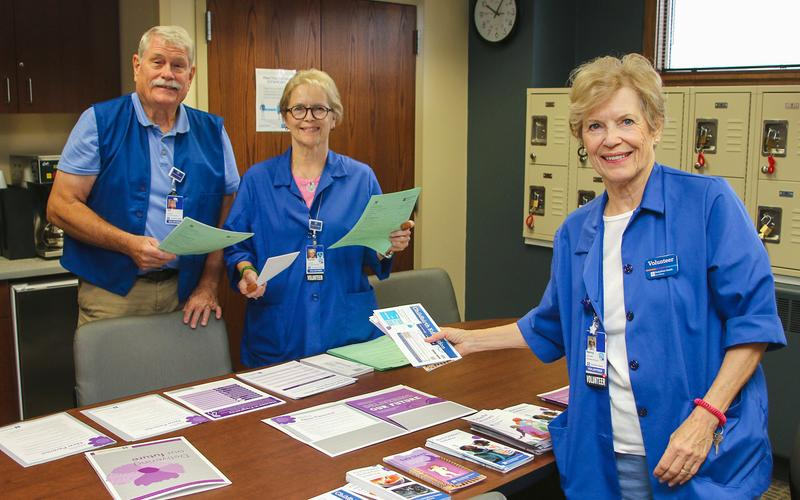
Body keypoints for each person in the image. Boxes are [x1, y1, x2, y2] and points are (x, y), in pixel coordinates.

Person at [428, 54, 786, 499]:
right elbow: (553, 324)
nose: (611, 140)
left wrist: (705, 417)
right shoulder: (576, 231)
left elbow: (753, 324)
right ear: (582, 138)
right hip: (607, 453)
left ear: (654, 126)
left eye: (626, 122)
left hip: (697, 449)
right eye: (595, 126)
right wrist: (469, 339)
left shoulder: (707, 204)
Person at [47, 26, 239, 329]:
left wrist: (209, 282)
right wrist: (128, 244)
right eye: (157, 62)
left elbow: (226, 215)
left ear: (191, 75)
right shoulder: (99, 122)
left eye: (178, 66)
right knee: (117, 376)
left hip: (186, 295)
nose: (168, 74)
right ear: (137, 66)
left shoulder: (213, 132)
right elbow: (61, 206)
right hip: (113, 294)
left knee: (185, 377)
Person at [223, 69, 413, 367]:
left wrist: (389, 245)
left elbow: (375, 249)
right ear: (285, 117)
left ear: (334, 117)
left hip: (344, 328)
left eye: (319, 109)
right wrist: (247, 272)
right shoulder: (257, 181)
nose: (308, 117)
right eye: (298, 108)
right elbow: (236, 246)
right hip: (281, 328)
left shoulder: (361, 179)